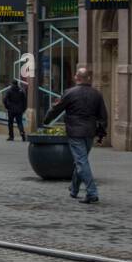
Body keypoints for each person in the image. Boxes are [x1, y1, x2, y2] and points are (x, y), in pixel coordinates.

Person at [44, 66, 109, 204]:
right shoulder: (96, 94)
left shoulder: (70, 93)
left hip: (75, 132)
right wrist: (101, 133)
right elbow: (103, 116)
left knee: (81, 161)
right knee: (81, 160)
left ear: (76, 78)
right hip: (89, 132)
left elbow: (56, 109)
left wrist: (46, 121)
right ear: (88, 78)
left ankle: (92, 192)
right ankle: (74, 189)